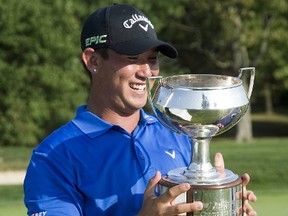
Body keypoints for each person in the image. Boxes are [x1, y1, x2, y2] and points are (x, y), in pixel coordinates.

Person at [24, 3, 257, 216]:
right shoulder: (53, 155)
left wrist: (219, 205)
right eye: (132, 57)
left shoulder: (177, 134)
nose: (146, 72)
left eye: (152, 59)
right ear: (93, 61)